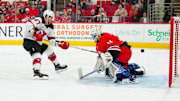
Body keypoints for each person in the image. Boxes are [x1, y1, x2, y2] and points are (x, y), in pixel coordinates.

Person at [23, 9, 69, 79]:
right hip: (29, 41)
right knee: (37, 54)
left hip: (38, 42)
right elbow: (28, 24)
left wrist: (60, 44)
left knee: (48, 48)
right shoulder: (39, 20)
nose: (51, 19)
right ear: (46, 16)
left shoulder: (50, 27)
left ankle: (57, 66)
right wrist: (35, 32)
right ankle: (36, 72)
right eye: (50, 17)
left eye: (52, 18)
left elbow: (51, 41)